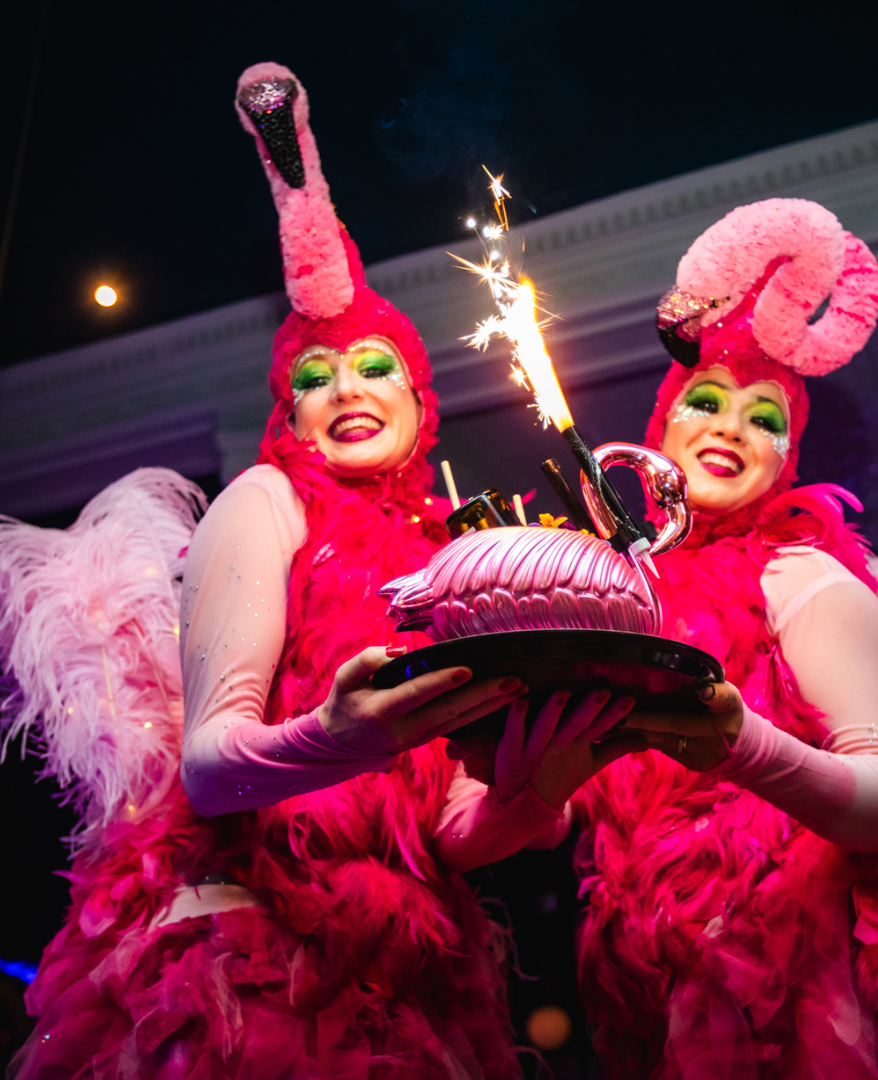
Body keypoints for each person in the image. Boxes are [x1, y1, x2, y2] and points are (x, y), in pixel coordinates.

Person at [3, 63, 633, 1079]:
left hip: (407, 983)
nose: (346, 387)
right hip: (248, 970)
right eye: (314, 376)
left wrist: (527, 799)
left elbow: (440, 836)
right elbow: (212, 771)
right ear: (286, 413)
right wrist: (332, 740)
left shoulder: (447, 566)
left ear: (420, 403)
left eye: (375, 367)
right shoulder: (267, 503)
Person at [439, 199, 878, 1078]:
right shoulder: (613, 605)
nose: (733, 426)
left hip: (823, 997)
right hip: (656, 999)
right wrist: (537, 787)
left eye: (766, 417)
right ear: (662, 434)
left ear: (787, 458)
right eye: (707, 401)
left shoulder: (806, 580)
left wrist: (740, 745)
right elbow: (463, 839)